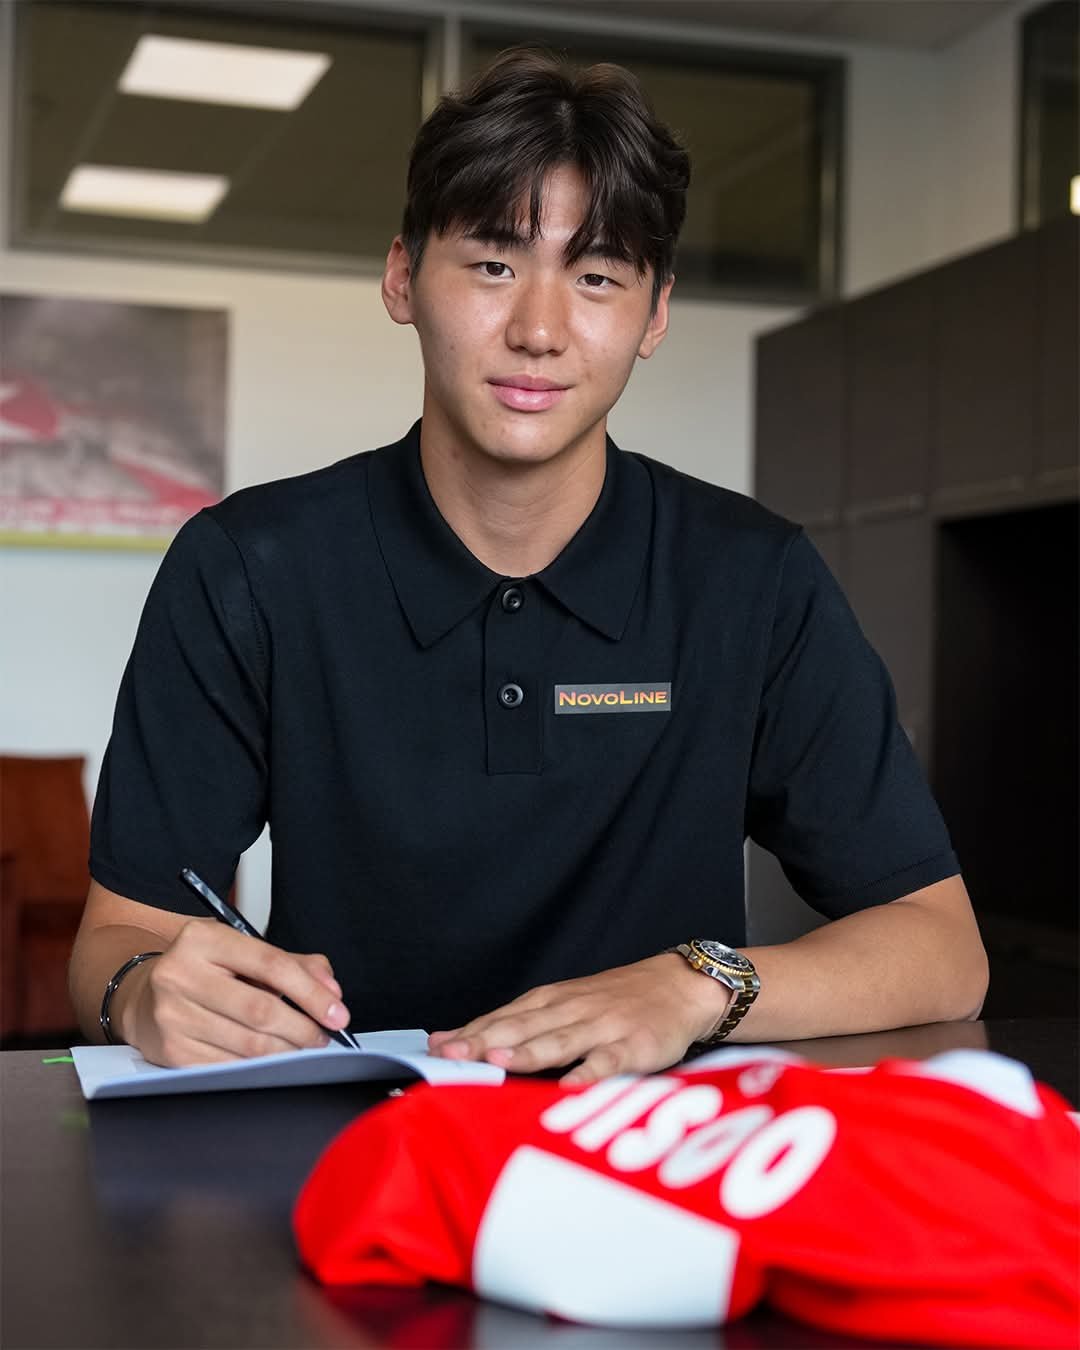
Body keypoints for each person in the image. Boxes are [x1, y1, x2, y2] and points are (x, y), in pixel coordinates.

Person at [69, 50, 988, 1081]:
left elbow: (941, 947)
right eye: (494, 265)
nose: (540, 330)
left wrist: (698, 983)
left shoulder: (753, 579)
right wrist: (142, 992)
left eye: (597, 278)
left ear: (655, 315)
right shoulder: (247, 567)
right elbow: (121, 932)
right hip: (341, 1144)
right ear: (403, 276)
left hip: (654, 1158)